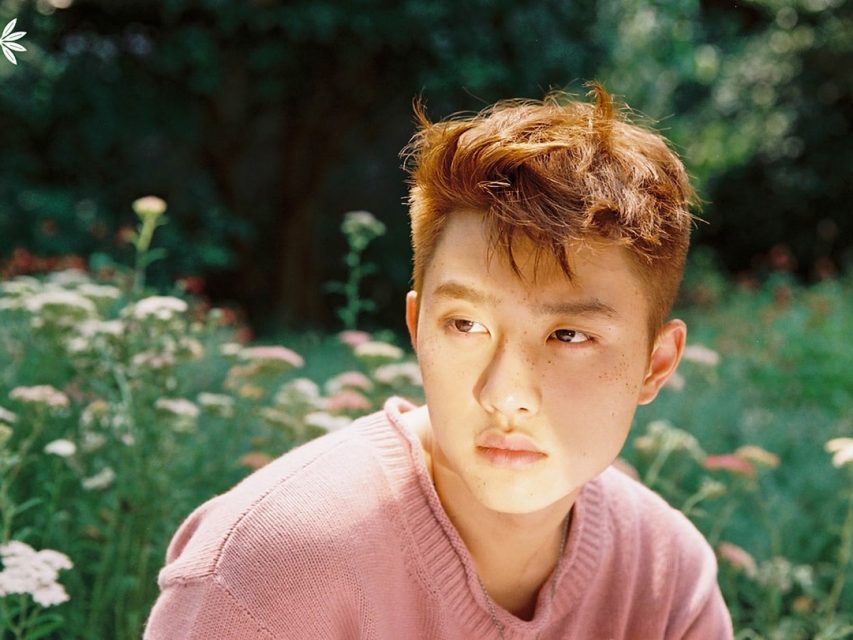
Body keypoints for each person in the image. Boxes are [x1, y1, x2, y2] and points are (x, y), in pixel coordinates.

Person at [144, 84, 734, 639]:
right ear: (416, 328)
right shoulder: (265, 575)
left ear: (656, 365)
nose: (505, 395)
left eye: (569, 336)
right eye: (466, 325)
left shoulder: (666, 581)